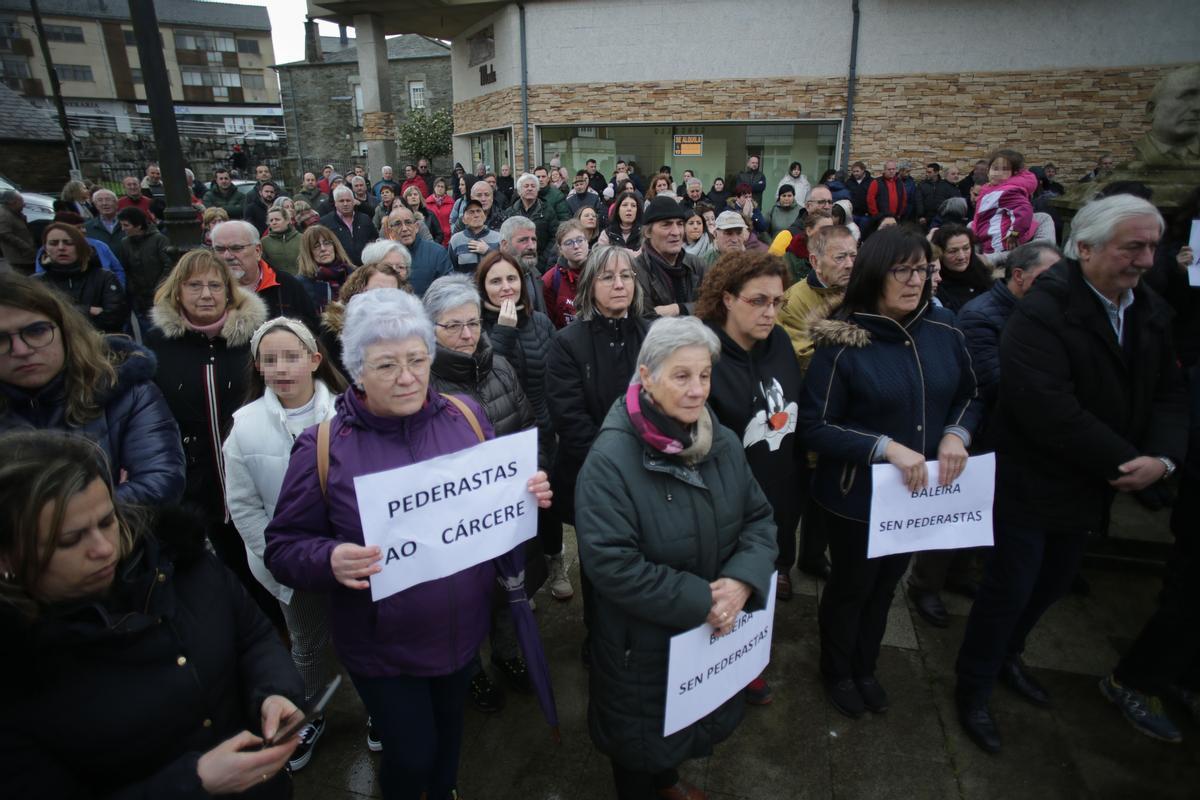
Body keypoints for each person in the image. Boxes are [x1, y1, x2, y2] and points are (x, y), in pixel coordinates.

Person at [263, 288, 551, 799]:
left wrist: (525, 493)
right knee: (411, 754)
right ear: (356, 369)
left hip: (463, 632)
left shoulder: (465, 417)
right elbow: (283, 546)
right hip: (382, 647)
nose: (407, 376)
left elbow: (489, 508)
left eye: (417, 359)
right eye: (386, 365)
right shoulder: (325, 447)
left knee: (448, 744)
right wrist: (328, 558)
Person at [955, 195, 1186, 753]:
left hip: (1090, 485)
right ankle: (974, 686)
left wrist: (1164, 457)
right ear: (1084, 249)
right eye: (1134, 247)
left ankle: (1011, 656)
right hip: (1033, 478)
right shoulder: (1043, 309)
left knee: (1054, 582)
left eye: (1153, 246)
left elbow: (1169, 390)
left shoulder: (1147, 307)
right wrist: (1127, 460)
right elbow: (1045, 405)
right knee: (1010, 586)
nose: (1146, 260)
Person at [0, 430, 305, 798]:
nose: (102, 549)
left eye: (107, 520)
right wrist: (193, 784)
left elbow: (254, 637)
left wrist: (274, 694)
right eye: (69, 540)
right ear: (8, 557)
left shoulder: (181, 559)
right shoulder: (16, 672)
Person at [574, 316, 777, 799]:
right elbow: (611, 564)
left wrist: (743, 581)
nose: (697, 390)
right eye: (681, 376)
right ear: (646, 377)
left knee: (679, 730)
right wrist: (704, 600)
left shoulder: (721, 440)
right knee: (639, 744)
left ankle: (666, 781)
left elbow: (760, 520)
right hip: (639, 647)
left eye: (704, 375)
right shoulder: (610, 461)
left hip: (706, 633)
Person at [799, 228, 980, 720]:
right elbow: (815, 425)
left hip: (917, 498)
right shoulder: (843, 343)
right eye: (902, 270)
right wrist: (884, 448)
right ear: (875, 275)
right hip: (856, 496)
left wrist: (956, 435)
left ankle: (865, 665)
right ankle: (837, 669)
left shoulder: (946, 333)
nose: (914, 280)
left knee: (886, 588)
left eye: (922, 269)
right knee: (853, 586)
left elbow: (970, 394)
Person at [905, 242, 1062, 629]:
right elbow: (988, 380)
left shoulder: (1042, 313)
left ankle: (961, 574)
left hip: (1007, 435)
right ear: (1019, 276)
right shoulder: (980, 316)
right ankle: (925, 584)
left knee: (978, 513)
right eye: (1048, 277)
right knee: (948, 514)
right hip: (977, 430)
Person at [223, 316, 349, 772]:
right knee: (306, 643)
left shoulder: (344, 413)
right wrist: (277, 559)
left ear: (314, 360)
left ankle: (379, 708)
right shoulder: (245, 427)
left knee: (366, 635)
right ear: (257, 366)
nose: (281, 367)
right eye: (270, 359)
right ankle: (310, 713)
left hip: (348, 556)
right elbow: (243, 503)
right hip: (289, 567)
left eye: (292, 356)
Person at [423, 274, 545, 710]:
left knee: (511, 587)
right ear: (429, 328)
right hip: (457, 521)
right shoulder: (423, 384)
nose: (467, 334)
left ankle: (509, 654)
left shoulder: (501, 365)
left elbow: (527, 425)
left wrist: (535, 473)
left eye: (473, 322)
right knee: (466, 599)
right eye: (452, 325)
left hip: (508, 510)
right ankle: (470, 668)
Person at [143, 249, 279, 626]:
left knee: (264, 560)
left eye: (215, 285)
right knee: (219, 568)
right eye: (195, 285)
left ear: (229, 291)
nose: (206, 294)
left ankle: (281, 636)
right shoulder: (157, 344)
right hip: (195, 478)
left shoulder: (255, 338)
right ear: (177, 291)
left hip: (254, 475)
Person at [0, 272, 184, 506]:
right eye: (1, 339)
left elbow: (159, 483)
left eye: (36, 331)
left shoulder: (127, 391)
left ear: (65, 330)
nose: (21, 350)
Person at [695, 249, 801, 626]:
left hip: (778, 497)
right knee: (721, 604)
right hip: (723, 511)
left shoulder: (781, 343)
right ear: (726, 298)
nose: (770, 312)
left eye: (777, 302)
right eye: (758, 301)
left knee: (759, 598)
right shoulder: (702, 356)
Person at [320, 242, 411, 379]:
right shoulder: (335, 332)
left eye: (392, 293)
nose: (383, 298)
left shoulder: (410, 326)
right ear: (359, 291)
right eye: (377, 291)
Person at [34, 222, 126, 334]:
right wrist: (88, 310)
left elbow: (114, 320)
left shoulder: (104, 278)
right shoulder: (35, 283)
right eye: (53, 243)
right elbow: (34, 321)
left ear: (80, 246)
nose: (61, 248)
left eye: (69, 243)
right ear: (45, 248)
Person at [633, 196, 709, 318]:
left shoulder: (697, 265)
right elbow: (645, 318)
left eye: (680, 224)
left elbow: (715, 305)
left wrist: (679, 309)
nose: (676, 232)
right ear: (648, 232)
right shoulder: (636, 271)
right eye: (666, 225)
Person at [969, 148, 1039, 257]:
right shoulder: (990, 189)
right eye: (995, 168)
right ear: (988, 169)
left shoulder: (1007, 191)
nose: (998, 173)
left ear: (1014, 173)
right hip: (986, 239)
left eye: (1005, 169)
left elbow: (1024, 211)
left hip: (999, 243)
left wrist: (1014, 233)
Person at [114, 207, 172, 333]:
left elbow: (169, 265)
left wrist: (159, 287)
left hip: (158, 293)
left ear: (139, 226)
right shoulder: (125, 243)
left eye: (126, 225)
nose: (123, 229)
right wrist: (131, 287)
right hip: (138, 296)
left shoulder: (159, 240)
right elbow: (124, 268)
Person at [386, 205, 453, 296]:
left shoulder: (437, 253)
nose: (405, 229)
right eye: (398, 224)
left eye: (408, 222)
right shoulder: (384, 258)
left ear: (417, 227)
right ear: (391, 232)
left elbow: (449, 292)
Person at [930, 224, 994, 313]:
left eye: (966, 248)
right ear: (940, 253)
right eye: (952, 251)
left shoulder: (982, 274)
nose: (961, 256)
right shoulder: (933, 286)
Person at [542, 220, 590, 328]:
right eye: (569, 243)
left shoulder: (603, 271)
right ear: (560, 249)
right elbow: (550, 322)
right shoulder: (550, 280)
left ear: (587, 242)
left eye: (580, 240)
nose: (576, 246)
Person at [296, 224, 353, 310]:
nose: (323, 249)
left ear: (334, 246)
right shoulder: (301, 283)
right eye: (316, 246)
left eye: (327, 243)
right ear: (308, 252)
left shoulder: (353, 274)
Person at [320, 186, 376, 267]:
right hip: (339, 270)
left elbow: (374, 240)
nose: (345, 204)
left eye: (348, 200)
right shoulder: (325, 222)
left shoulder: (365, 219)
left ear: (353, 202)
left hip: (365, 268)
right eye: (341, 201)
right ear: (335, 203)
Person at [449, 198, 502, 274]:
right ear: (463, 220)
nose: (476, 215)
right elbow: (452, 270)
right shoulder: (456, 240)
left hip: (491, 284)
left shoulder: (498, 237)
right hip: (466, 285)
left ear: (485, 217)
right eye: (471, 212)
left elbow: (505, 264)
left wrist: (488, 251)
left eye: (479, 211)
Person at [0, 189, 37, 274]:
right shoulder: (4, 215)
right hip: (19, 259)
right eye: (21, 201)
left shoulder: (14, 213)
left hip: (26, 257)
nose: (24, 204)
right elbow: (4, 234)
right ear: (12, 202)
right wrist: (25, 247)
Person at [915, 163, 961, 230]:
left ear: (936, 172)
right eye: (953, 174)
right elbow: (919, 201)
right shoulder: (922, 185)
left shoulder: (943, 184)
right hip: (927, 217)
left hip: (938, 216)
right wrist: (921, 215)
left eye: (929, 172)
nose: (927, 174)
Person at [261, 207, 302, 275]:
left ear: (287, 220)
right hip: (277, 282)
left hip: (302, 280)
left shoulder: (302, 238)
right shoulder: (264, 242)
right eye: (271, 220)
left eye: (277, 219)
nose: (274, 222)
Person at [426, 179, 454, 246]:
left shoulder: (452, 203)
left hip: (448, 237)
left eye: (442, 187)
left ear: (445, 189)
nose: (440, 188)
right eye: (438, 186)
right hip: (434, 238)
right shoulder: (427, 203)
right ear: (434, 187)